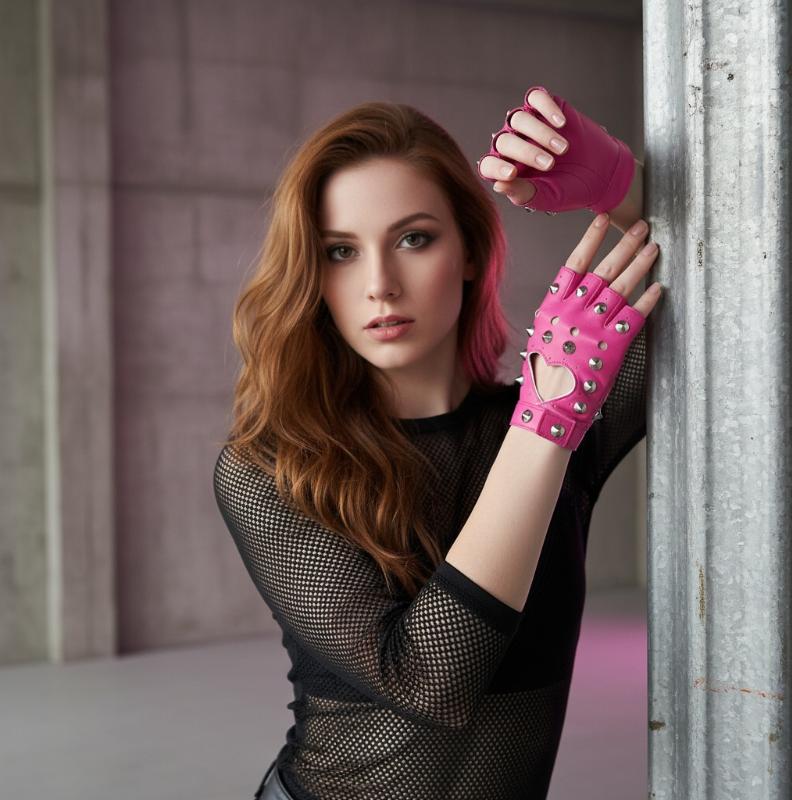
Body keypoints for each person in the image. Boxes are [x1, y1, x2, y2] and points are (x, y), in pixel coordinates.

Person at [213, 86, 662, 800]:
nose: (380, 285)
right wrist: (545, 421)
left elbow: (733, 283)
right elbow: (430, 681)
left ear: (472, 251)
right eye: (340, 252)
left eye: (413, 239)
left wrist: (623, 186)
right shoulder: (271, 467)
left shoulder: (566, 414)